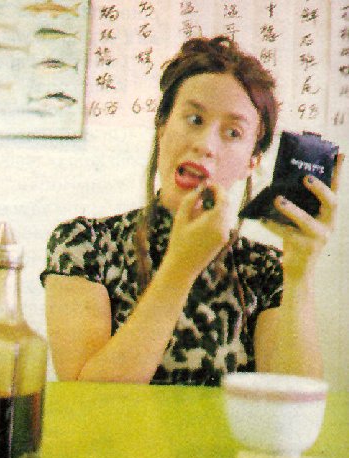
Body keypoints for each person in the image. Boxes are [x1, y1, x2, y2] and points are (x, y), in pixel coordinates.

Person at [40, 36, 343, 386]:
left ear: (252, 162)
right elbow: (87, 399)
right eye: (194, 119)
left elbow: (292, 403)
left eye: (233, 132)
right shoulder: (84, 245)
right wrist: (181, 266)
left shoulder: (265, 270)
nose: (205, 145)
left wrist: (300, 272)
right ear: (162, 127)